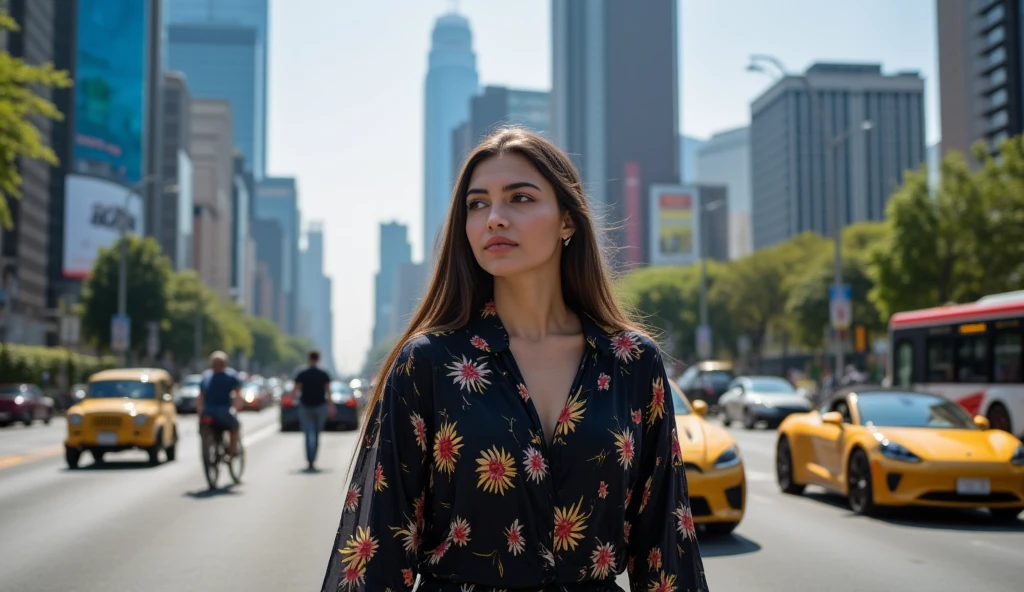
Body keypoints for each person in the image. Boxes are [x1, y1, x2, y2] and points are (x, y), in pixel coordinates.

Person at [321, 128, 708, 591]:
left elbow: (666, 540)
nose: (494, 219)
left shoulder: (630, 362)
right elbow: (379, 541)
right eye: (477, 204)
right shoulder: (428, 363)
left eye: (520, 199)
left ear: (568, 221)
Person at [292, 350, 335, 471]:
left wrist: (292, 400)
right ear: (318, 359)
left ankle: (309, 460)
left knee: (307, 433)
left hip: (305, 406)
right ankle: (313, 458)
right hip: (320, 406)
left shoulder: (302, 373)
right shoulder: (323, 373)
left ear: (308, 358)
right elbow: (328, 392)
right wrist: (331, 407)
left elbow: (295, 390)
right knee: (316, 434)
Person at [197, 351, 241, 456]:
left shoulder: (205, 376)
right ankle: (232, 450)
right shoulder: (231, 376)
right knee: (235, 427)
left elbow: (200, 397)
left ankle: (207, 448)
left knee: (203, 428)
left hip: (207, 412)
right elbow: (238, 396)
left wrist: (200, 413)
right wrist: (236, 409)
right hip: (224, 411)